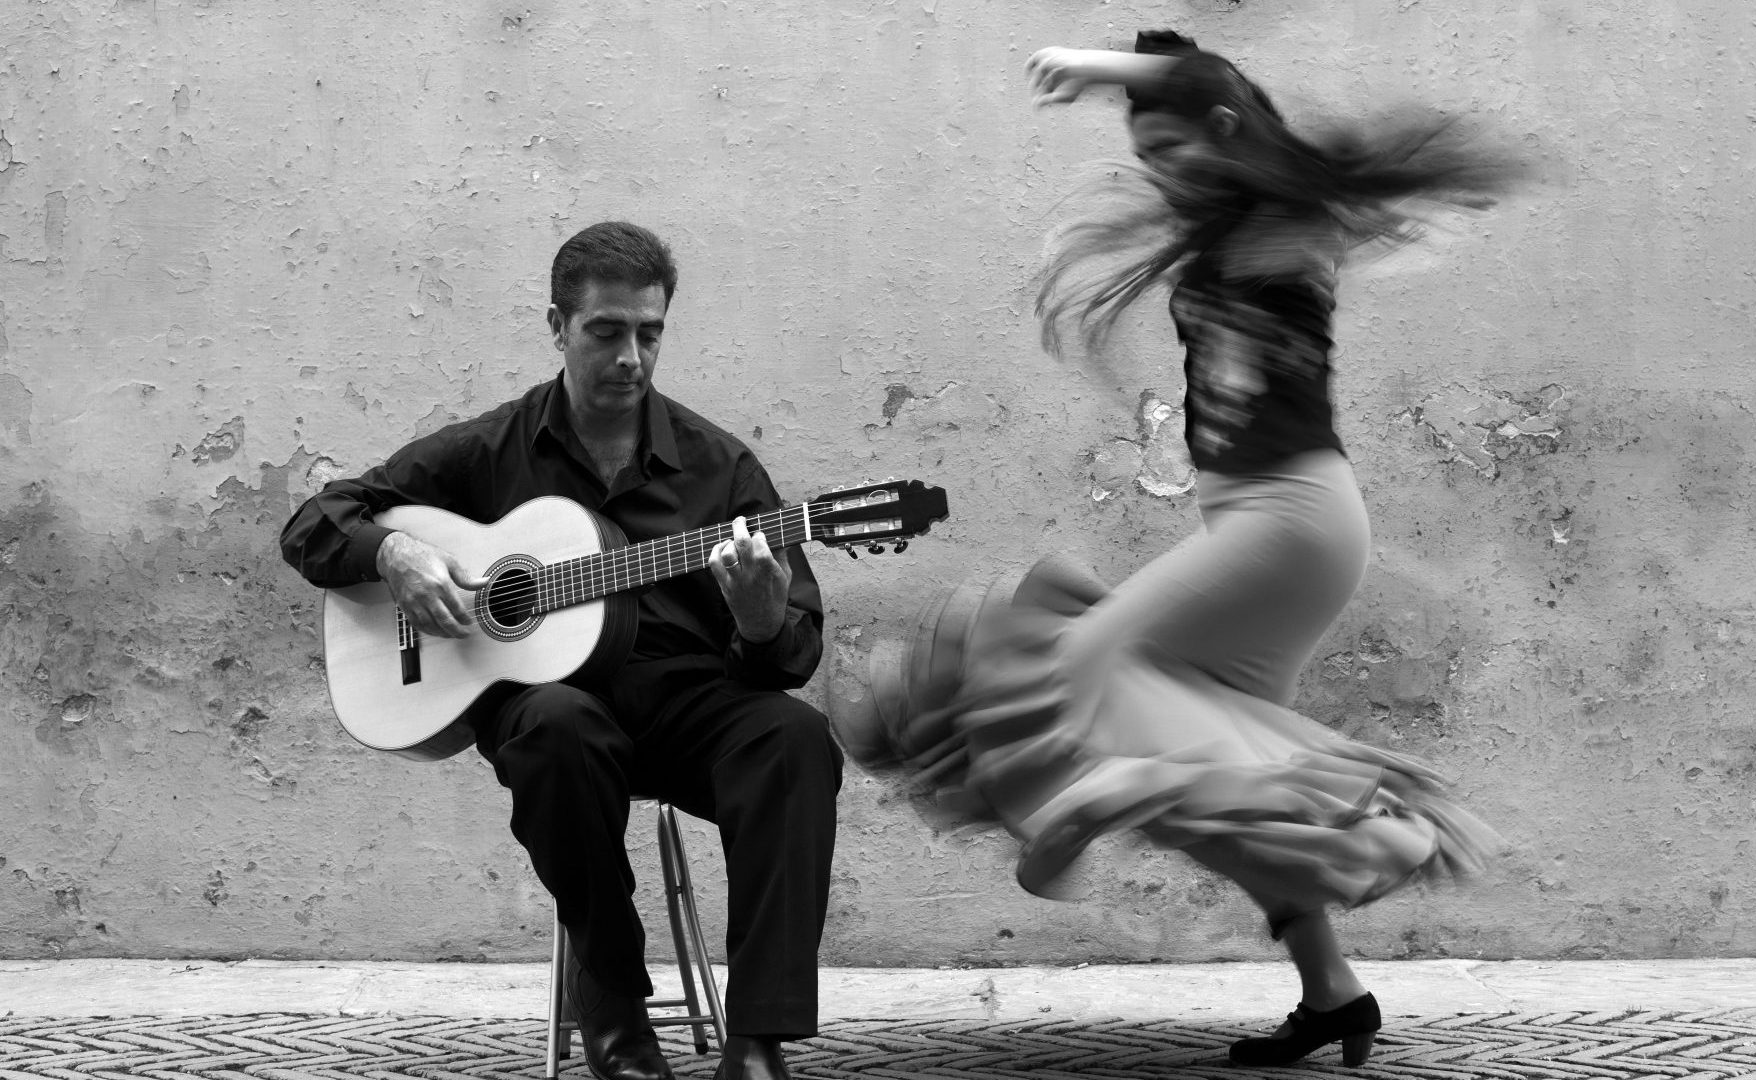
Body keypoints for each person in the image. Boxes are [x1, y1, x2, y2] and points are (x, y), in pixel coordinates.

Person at [834, 31, 1524, 1070]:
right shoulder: (1224, 236)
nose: (1162, 171)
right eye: (1149, 156)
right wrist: (1140, 104)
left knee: (1081, 659)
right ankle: (1332, 994)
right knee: (1219, 775)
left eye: (1175, 147)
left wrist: (1104, 65)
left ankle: (1103, 797)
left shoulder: (1288, 217)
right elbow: (1200, 116)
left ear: (1228, 126)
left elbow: (1203, 86)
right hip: (1264, 525)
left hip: (1289, 522)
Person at [280, 222, 840, 1080]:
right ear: (557, 326)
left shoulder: (719, 466)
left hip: (686, 704)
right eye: (606, 332)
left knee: (796, 742)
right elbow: (315, 522)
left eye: (649, 334)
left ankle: (758, 1042)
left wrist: (763, 623)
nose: (631, 358)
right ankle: (611, 1003)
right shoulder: (488, 450)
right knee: (555, 726)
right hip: (557, 715)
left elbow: (790, 654)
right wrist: (392, 554)